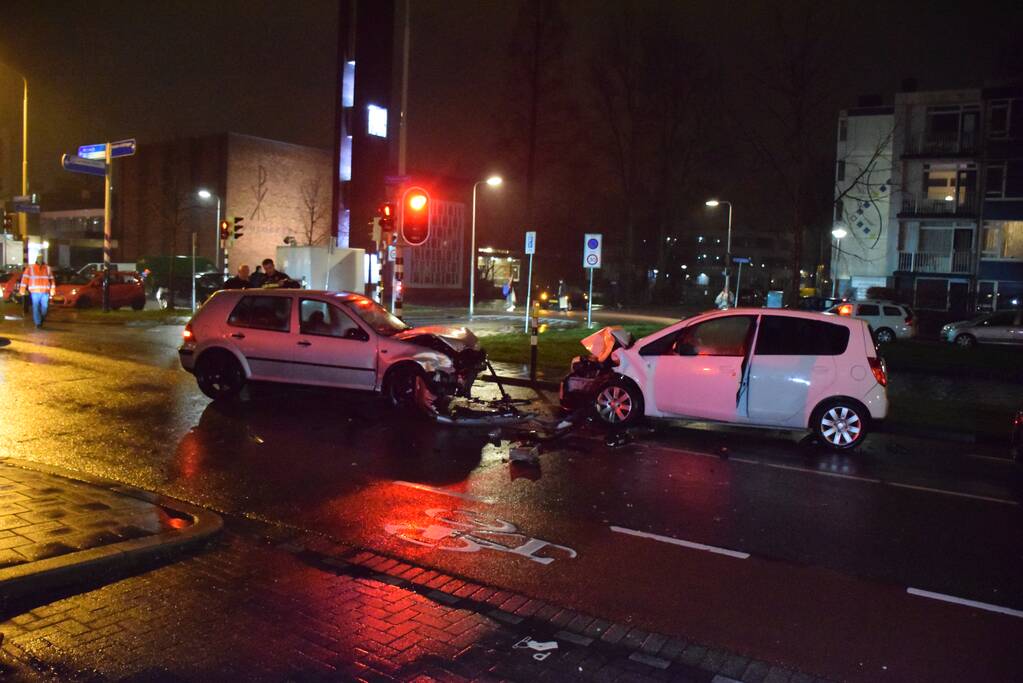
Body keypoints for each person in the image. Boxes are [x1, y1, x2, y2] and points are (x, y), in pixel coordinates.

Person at [20, 254, 56, 328]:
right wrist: (22, 290)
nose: (40, 259)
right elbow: (24, 279)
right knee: (35, 307)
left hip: (45, 292)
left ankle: (40, 319)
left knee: (45, 308)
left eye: (41, 258)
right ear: (36, 259)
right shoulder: (30, 268)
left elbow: (52, 280)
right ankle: (38, 323)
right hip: (35, 292)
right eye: (39, 258)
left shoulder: (47, 268)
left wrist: (52, 289)